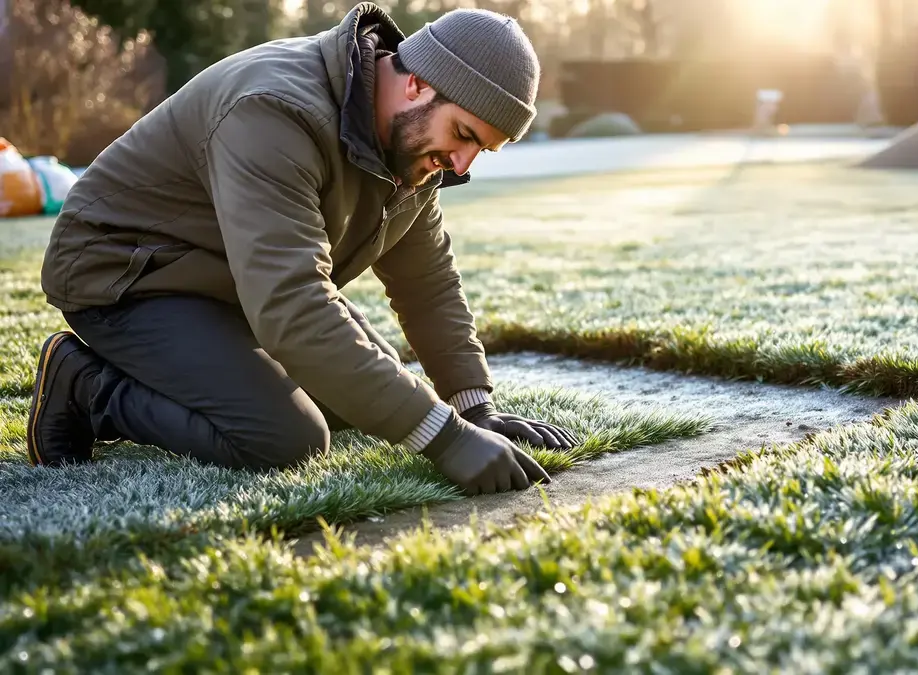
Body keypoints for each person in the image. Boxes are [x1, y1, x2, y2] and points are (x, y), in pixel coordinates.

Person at [28, 3, 578, 496]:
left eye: (481, 148)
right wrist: (447, 440)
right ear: (417, 85)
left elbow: (427, 283)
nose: (463, 164)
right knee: (286, 438)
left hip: (225, 280)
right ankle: (85, 384)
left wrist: (471, 407)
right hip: (127, 273)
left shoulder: (410, 142)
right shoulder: (273, 110)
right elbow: (292, 306)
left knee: (359, 397)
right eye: (464, 134)